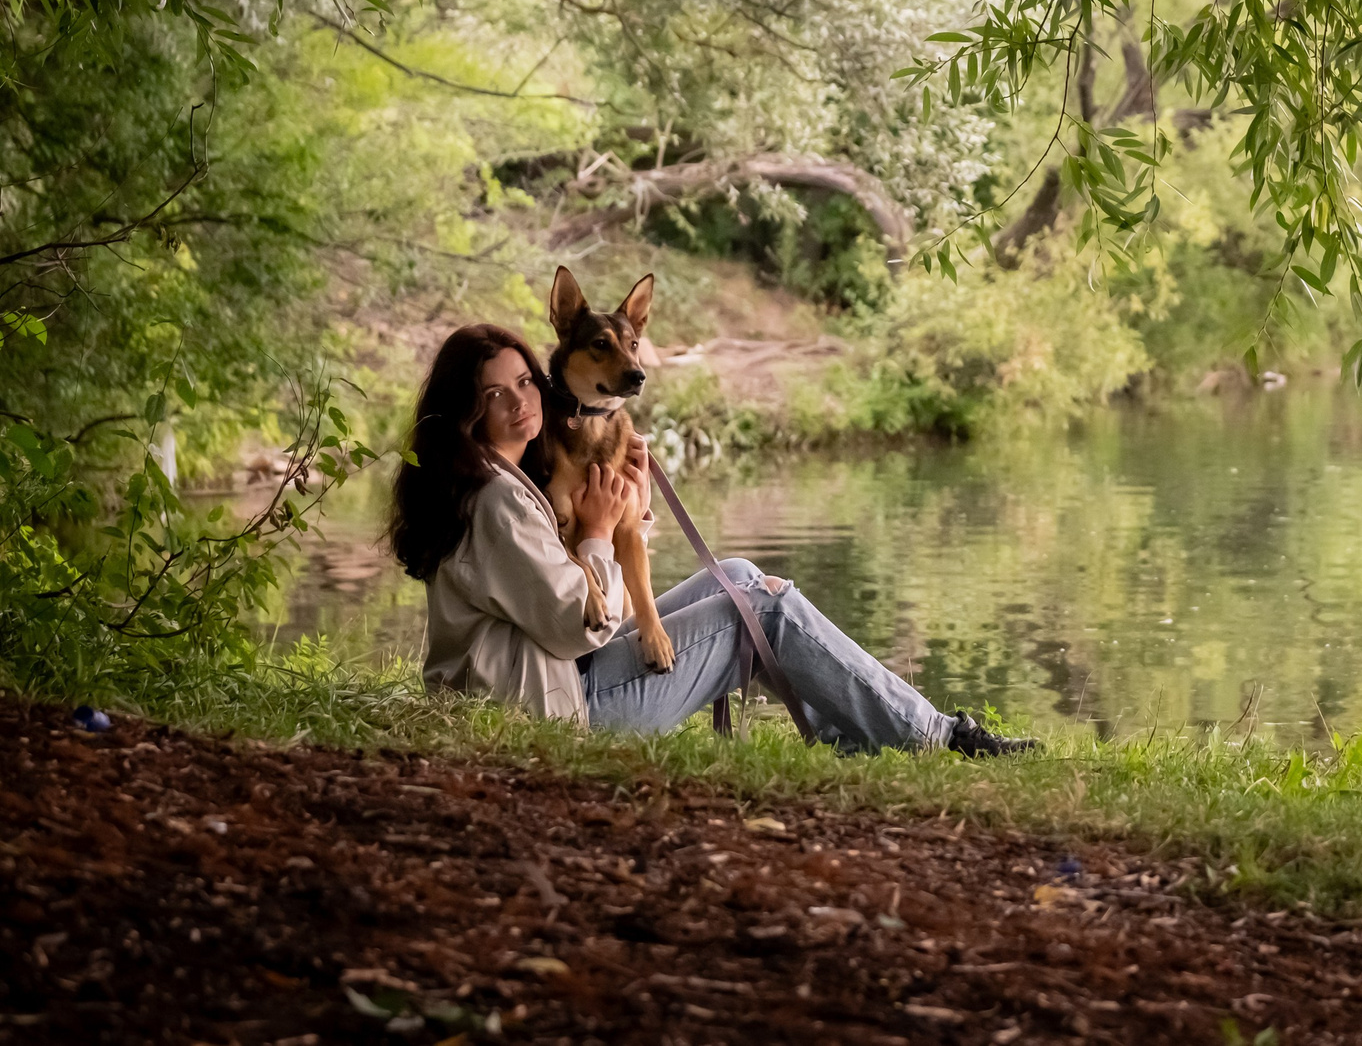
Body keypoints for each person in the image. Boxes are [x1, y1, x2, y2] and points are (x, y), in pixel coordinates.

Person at [387, 323, 1033, 756]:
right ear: (466, 410)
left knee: (744, 575)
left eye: (525, 382)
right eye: (494, 393)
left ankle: (867, 732)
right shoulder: (496, 500)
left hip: (556, 681)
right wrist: (599, 535)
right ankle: (937, 736)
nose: (520, 401)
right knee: (765, 610)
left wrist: (622, 520)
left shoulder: (500, 476)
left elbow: (566, 602)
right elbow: (571, 624)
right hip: (558, 712)